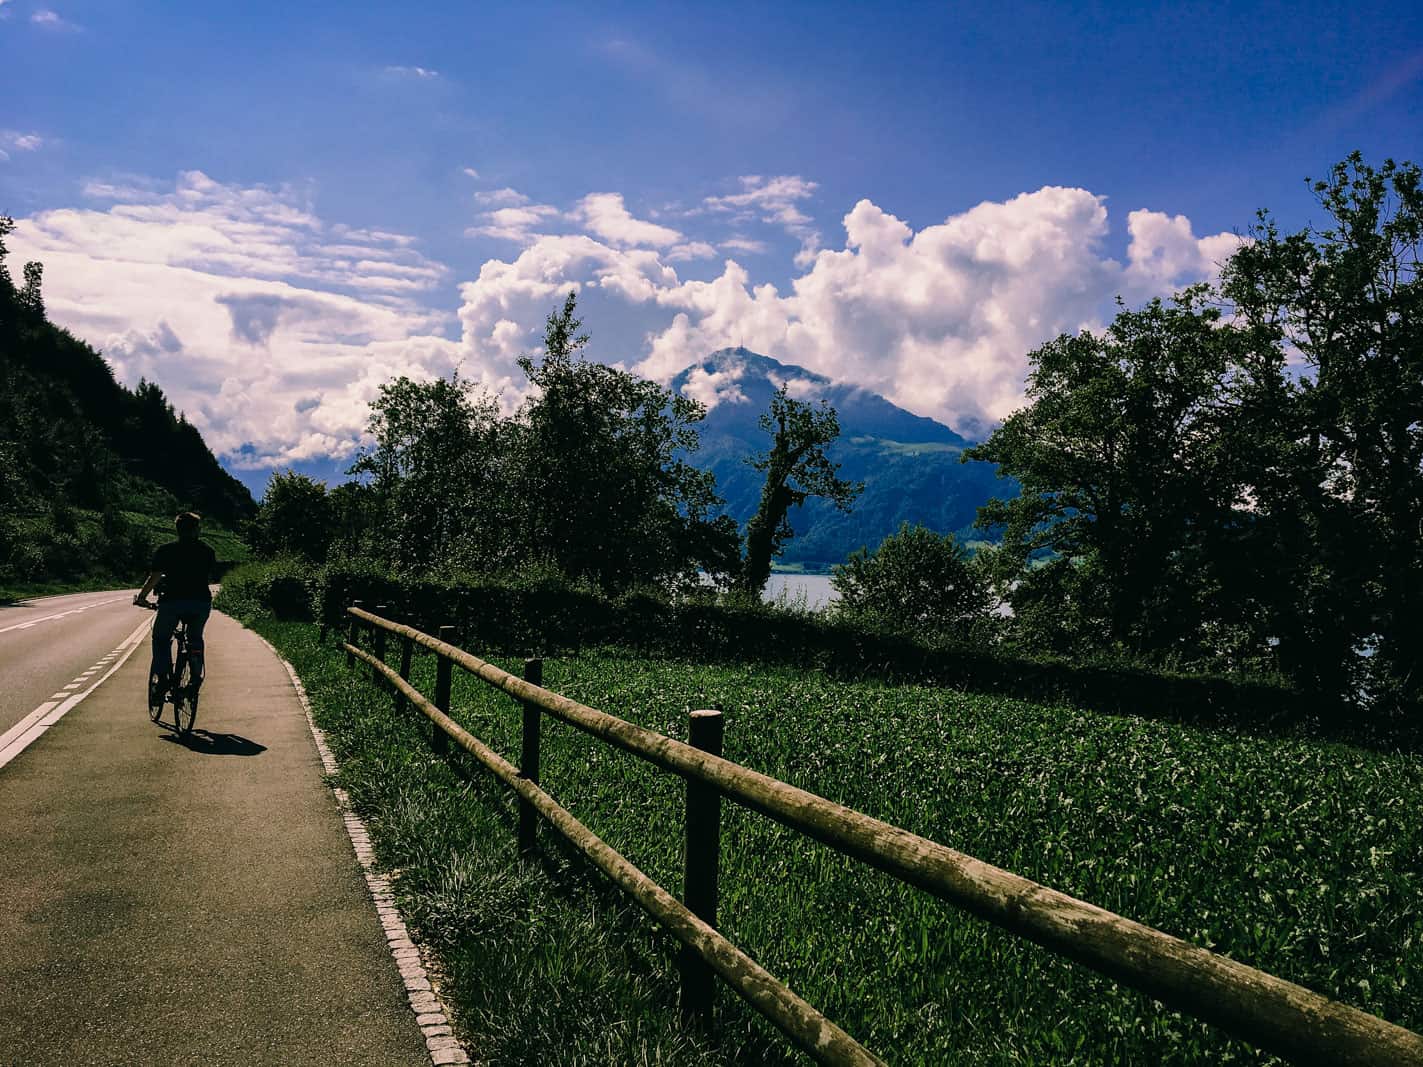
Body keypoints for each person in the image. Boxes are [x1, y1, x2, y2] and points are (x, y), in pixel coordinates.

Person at [134, 512, 217, 700]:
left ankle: (162, 679)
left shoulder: (166, 550)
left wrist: (141, 597)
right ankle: (195, 678)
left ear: (177, 529)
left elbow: (154, 578)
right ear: (197, 529)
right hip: (200, 602)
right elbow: (212, 577)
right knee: (195, 638)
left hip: (172, 602)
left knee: (161, 639)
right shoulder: (207, 551)